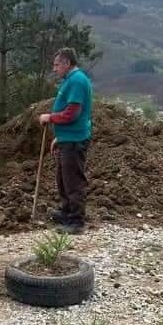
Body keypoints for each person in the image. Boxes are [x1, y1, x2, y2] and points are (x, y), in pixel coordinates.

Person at [38, 48, 93, 234]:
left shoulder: (77, 81)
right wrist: (59, 137)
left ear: (67, 63)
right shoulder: (70, 80)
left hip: (75, 139)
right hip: (67, 137)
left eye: (56, 65)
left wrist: (50, 118)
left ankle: (76, 221)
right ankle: (67, 211)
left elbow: (72, 113)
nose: (54, 69)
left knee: (73, 180)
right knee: (62, 177)